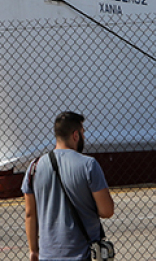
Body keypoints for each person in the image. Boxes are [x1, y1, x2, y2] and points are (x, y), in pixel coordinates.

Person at [23, 111, 114, 261]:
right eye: (83, 133)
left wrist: (33, 250)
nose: (84, 138)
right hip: (82, 254)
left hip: (48, 256)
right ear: (75, 135)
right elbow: (107, 211)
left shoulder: (34, 167)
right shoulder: (89, 165)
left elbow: (30, 214)